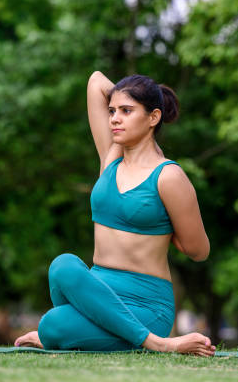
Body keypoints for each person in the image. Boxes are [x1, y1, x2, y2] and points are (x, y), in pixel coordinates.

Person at [14, 71, 215, 356]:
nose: (114, 118)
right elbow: (96, 81)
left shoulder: (168, 176)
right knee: (63, 266)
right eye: (112, 111)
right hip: (99, 293)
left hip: (146, 306)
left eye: (126, 111)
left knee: (51, 326)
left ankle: (156, 340)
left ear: (153, 117)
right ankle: (137, 339)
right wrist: (138, 96)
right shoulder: (111, 158)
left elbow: (199, 250)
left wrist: (161, 225)